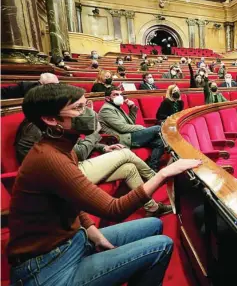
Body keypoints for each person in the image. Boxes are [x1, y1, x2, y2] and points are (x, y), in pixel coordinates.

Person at [8, 83, 200, 286]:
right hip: (47, 268)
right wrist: (164, 173)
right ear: (50, 119)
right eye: (78, 108)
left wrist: (94, 233)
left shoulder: (63, 148)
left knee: (154, 224)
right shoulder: (50, 158)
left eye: (86, 105)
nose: (89, 113)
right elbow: (114, 209)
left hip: (73, 242)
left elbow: (72, 201)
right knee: (162, 245)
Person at [14, 115, 172, 217]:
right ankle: (159, 179)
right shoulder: (38, 128)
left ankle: (152, 207)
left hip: (72, 162)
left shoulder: (51, 122)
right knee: (126, 154)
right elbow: (80, 152)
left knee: (129, 168)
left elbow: (77, 144)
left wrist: (103, 147)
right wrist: (95, 132)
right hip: (64, 172)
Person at [98, 88, 166, 171]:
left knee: (160, 142)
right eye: (115, 94)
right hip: (122, 139)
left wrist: (132, 108)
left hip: (129, 135)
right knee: (158, 128)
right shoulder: (106, 109)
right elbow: (122, 128)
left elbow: (130, 125)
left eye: (120, 94)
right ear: (107, 98)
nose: (119, 97)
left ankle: (152, 168)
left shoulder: (116, 108)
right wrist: (143, 128)